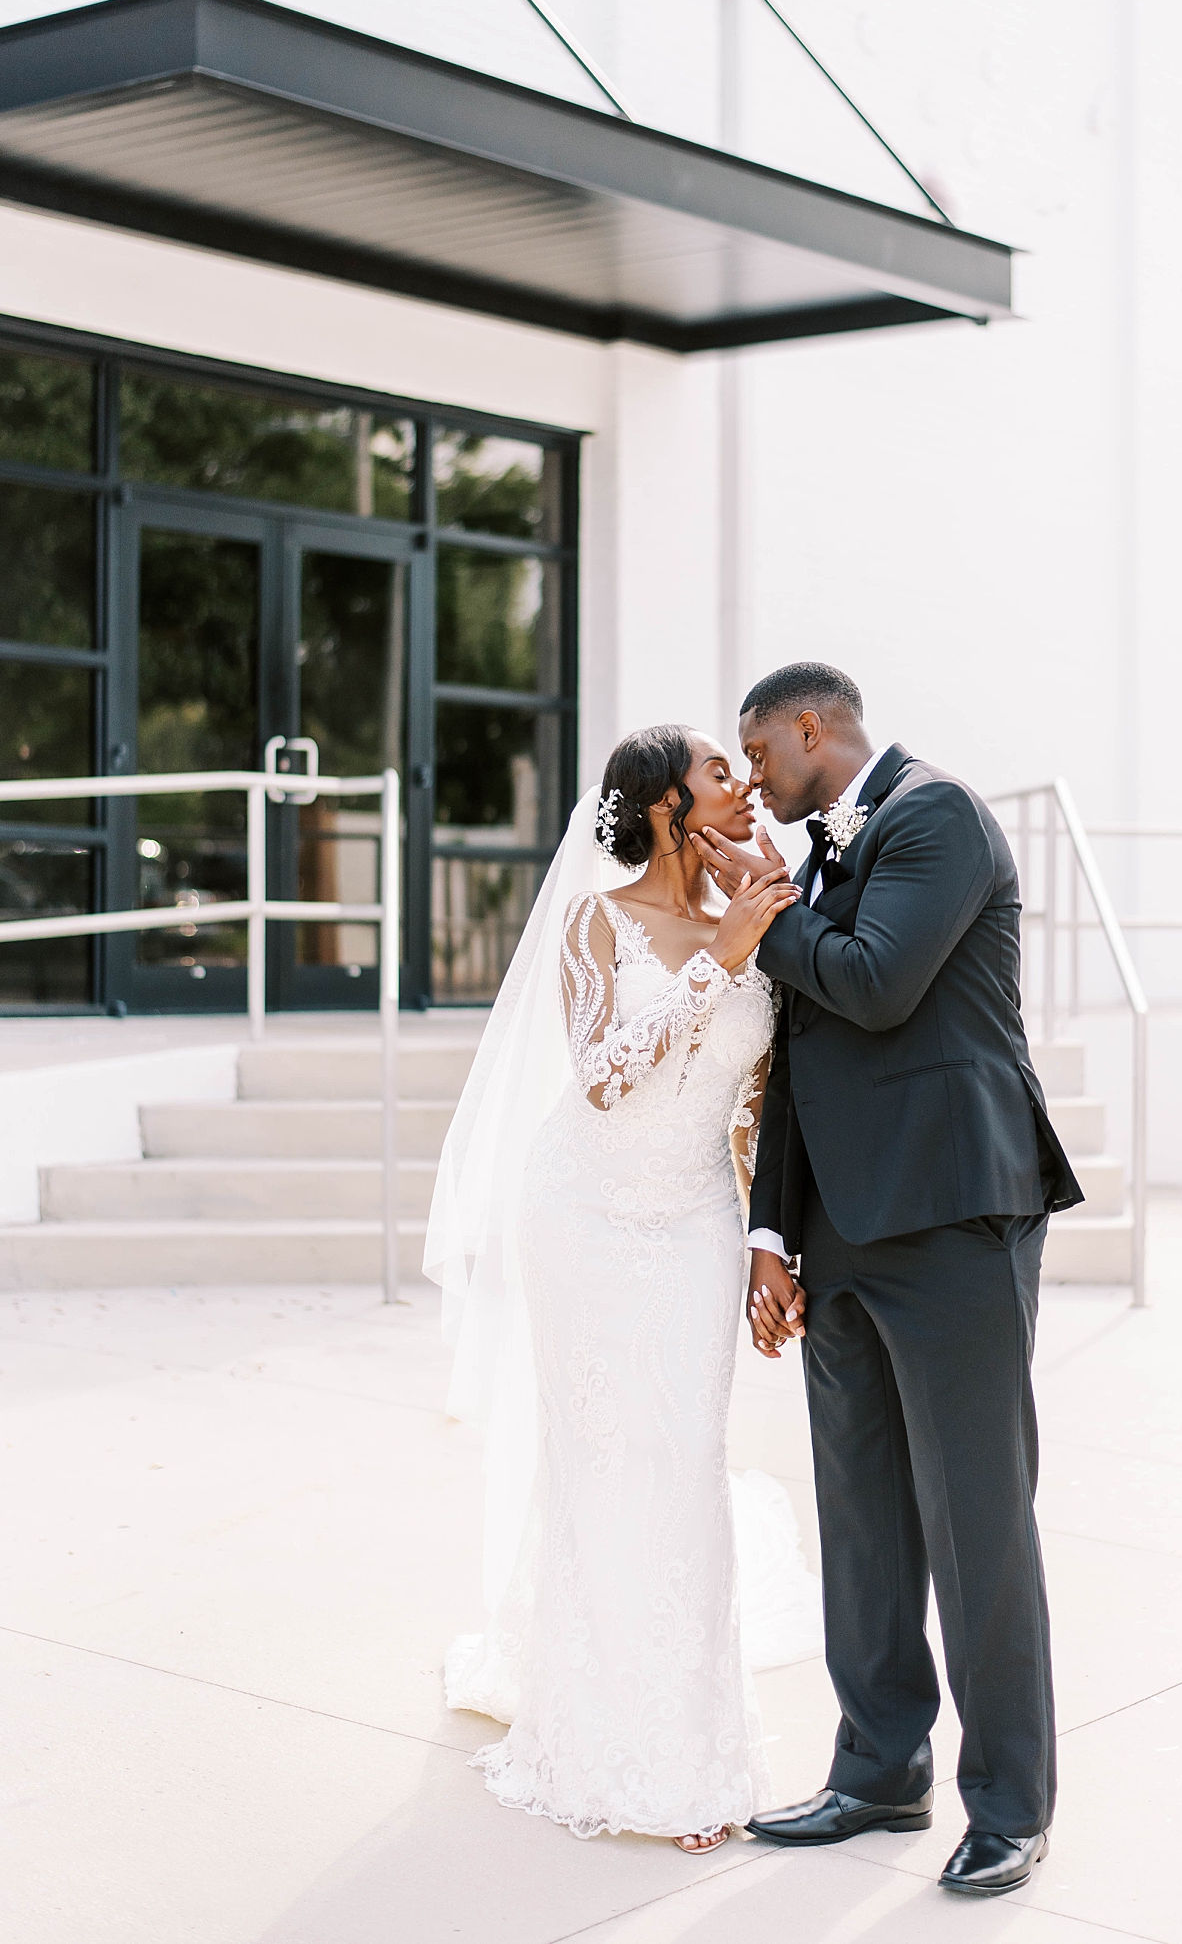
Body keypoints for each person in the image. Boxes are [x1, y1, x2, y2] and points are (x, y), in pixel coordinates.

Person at [689, 661, 1084, 1899]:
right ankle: (877, 1768)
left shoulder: (939, 815)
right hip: (839, 1230)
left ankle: (1010, 1801)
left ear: (813, 725)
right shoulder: (812, 859)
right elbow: (797, 1063)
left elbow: (873, 980)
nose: (750, 776)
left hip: (956, 1214)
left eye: (759, 750)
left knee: (976, 1519)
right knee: (860, 1514)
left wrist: (761, 901)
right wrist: (771, 1231)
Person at [425, 725, 801, 1853]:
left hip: (696, 1217)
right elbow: (598, 1076)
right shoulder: (599, 920)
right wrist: (718, 956)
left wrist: (766, 1240)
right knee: (602, 1455)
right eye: (721, 771)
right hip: (583, 1214)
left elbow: (758, 1102)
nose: (746, 784)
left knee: (681, 1458)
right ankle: (604, 1738)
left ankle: (691, 1746)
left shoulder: (763, 911)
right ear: (661, 805)